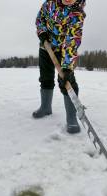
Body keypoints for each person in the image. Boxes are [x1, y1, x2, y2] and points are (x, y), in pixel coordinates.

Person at [33, 0, 86, 134]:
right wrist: (42, 32)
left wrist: (67, 66)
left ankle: (71, 118)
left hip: (64, 50)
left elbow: (72, 40)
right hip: (46, 47)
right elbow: (40, 18)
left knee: (66, 80)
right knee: (45, 78)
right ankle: (45, 108)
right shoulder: (49, 4)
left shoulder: (77, 14)